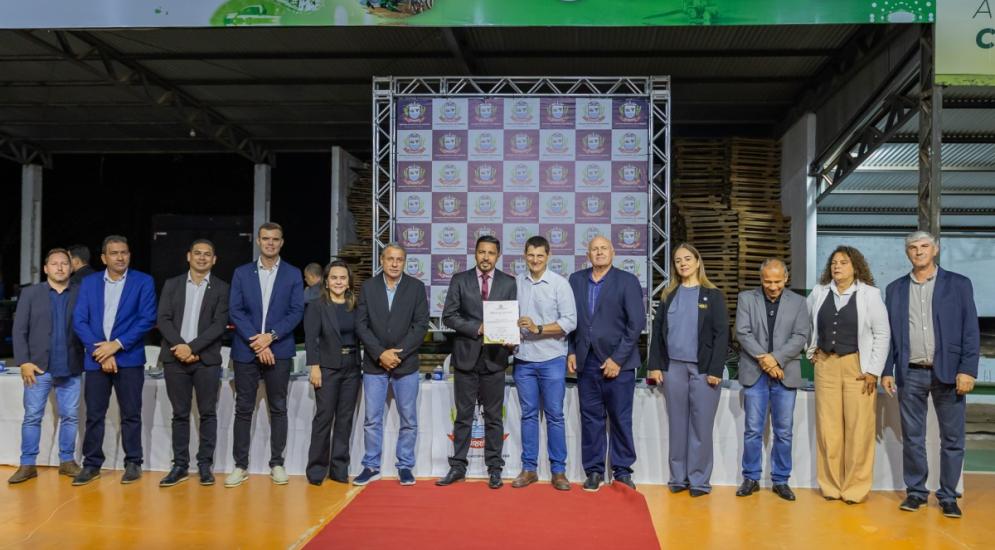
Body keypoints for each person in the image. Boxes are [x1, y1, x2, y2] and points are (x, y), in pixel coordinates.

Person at [881, 231, 980, 518]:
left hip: (949, 373)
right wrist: (887, 370)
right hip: (910, 373)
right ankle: (916, 492)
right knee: (913, 437)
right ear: (907, 253)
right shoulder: (895, 289)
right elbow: (889, 335)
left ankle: (948, 496)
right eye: (913, 247)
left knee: (952, 438)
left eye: (924, 246)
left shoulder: (959, 284)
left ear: (935, 250)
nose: (919, 251)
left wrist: (967, 370)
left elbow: (970, 330)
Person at [806, 245, 890, 504]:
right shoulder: (819, 292)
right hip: (826, 365)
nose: (837, 266)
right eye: (834, 262)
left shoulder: (870, 295)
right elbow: (806, 324)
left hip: (858, 367)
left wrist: (873, 370)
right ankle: (831, 485)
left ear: (855, 267)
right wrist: (811, 350)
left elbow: (882, 334)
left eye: (843, 262)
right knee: (828, 428)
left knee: (858, 428)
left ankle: (855, 488)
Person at [71, 235, 157, 486]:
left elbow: (147, 318)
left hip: (128, 357)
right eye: (114, 253)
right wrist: (101, 351)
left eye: (124, 252)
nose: (120, 257)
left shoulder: (143, 281)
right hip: (97, 358)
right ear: (103, 258)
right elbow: (80, 320)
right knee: (94, 415)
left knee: (131, 413)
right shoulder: (89, 283)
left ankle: (133, 462)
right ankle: (91, 464)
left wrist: (116, 345)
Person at [226, 222, 305, 488]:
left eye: (275, 239)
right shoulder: (241, 273)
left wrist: (270, 337)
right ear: (258, 241)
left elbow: (296, 312)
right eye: (266, 238)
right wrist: (258, 342)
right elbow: (235, 310)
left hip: (279, 349)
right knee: (243, 409)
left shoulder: (293, 274)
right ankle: (240, 466)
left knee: (278, 408)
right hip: (246, 350)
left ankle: (277, 463)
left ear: (281, 242)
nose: (270, 243)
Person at [647, 243, 728, 497]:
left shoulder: (713, 295)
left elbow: (722, 335)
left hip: (703, 370)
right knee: (677, 425)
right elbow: (658, 333)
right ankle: (678, 478)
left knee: (701, 427)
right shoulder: (668, 294)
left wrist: (716, 369)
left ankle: (699, 481)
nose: (682, 263)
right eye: (678, 260)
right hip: (673, 368)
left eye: (687, 259)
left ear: (697, 261)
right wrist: (655, 365)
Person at [437, 235, 516, 489]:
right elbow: (449, 316)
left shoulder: (509, 282)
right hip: (466, 358)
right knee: (463, 416)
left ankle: (495, 469)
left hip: (495, 359)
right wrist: (477, 328)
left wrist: (511, 338)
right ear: (475, 253)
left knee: (494, 417)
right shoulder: (460, 280)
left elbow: (512, 317)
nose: (486, 257)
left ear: (498, 256)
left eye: (491, 253)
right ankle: (458, 467)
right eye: (482, 252)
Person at [568, 236, 645, 492]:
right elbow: (570, 320)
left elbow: (636, 324)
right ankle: (594, 471)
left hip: (618, 364)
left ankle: (622, 471)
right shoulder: (576, 280)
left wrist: (617, 359)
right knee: (591, 419)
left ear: (613, 252)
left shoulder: (627, 281)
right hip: (586, 362)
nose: (599, 252)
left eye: (603, 248)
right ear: (587, 254)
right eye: (594, 249)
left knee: (620, 418)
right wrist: (571, 351)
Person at [733, 258, 810, 501]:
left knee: (784, 431)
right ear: (761, 279)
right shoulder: (747, 299)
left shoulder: (799, 302)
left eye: (778, 281)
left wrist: (775, 359)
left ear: (786, 278)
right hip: (754, 373)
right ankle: (751, 478)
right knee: (752, 430)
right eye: (768, 282)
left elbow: (801, 336)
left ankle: (781, 480)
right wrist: (765, 360)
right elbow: (742, 332)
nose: (773, 286)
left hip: (785, 374)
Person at [353, 244, 429, 486]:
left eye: (400, 259)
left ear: (404, 262)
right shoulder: (368, 287)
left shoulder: (416, 287)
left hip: (405, 365)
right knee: (372, 419)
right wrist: (380, 354)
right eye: (390, 259)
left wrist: (398, 354)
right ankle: (370, 465)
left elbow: (421, 326)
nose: (395, 264)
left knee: (409, 419)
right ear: (382, 261)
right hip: (374, 365)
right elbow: (361, 325)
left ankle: (405, 466)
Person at [156, 239, 230, 487]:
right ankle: (180, 465)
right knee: (180, 414)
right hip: (175, 358)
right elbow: (163, 319)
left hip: (205, 360)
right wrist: (181, 347)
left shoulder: (222, 288)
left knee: (207, 413)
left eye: (207, 254)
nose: (201, 257)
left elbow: (219, 325)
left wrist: (193, 348)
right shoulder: (172, 284)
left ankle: (205, 465)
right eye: (197, 253)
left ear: (214, 260)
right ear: (188, 256)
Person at [8, 249, 83, 484]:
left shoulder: (81, 292)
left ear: (71, 267)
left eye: (64, 263)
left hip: (71, 367)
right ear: (45, 268)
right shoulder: (31, 293)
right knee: (32, 417)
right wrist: (24, 361)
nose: (60, 267)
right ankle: (27, 464)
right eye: (54, 263)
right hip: (37, 368)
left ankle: (67, 461)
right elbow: (19, 329)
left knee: (70, 417)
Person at [511, 236, 576, 491]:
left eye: (540, 255)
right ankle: (529, 469)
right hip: (523, 359)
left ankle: (558, 471)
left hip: (552, 359)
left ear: (548, 256)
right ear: (524, 256)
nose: (535, 260)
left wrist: (538, 328)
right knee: (528, 415)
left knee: (555, 416)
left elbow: (570, 321)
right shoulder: (516, 283)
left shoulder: (560, 284)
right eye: (531, 255)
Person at [304, 260, 363, 486]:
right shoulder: (316, 305)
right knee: (324, 418)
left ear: (349, 282)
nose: (338, 282)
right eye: (334, 278)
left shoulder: (355, 305)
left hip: (352, 367)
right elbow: (311, 339)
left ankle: (339, 470)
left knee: (345, 420)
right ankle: (316, 470)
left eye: (343, 278)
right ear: (326, 282)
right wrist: (314, 366)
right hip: (327, 368)